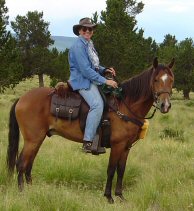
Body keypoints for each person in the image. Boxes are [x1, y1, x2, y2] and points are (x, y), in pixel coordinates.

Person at [68, 17, 118, 154]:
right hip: (82, 81)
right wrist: (105, 80)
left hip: (90, 79)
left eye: (90, 29)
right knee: (97, 105)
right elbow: (85, 70)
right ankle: (88, 142)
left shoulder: (88, 44)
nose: (88, 31)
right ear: (79, 30)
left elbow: (93, 66)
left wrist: (104, 69)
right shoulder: (78, 46)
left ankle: (102, 134)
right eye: (85, 29)